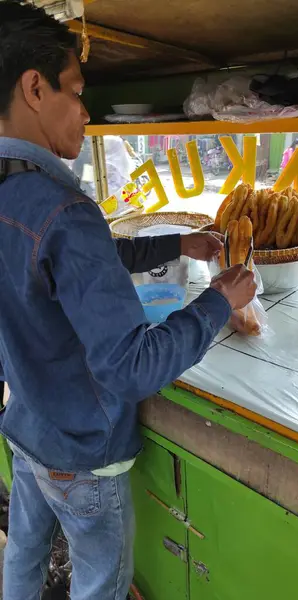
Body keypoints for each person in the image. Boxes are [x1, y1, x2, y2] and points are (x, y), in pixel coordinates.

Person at [0, 3, 256, 600]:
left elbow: (65, 261)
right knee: (100, 584)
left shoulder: (17, 193)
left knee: (24, 556)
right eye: (78, 92)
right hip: (84, 455)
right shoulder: (65, 210)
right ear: (35, 88)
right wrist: (219, 300)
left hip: (26, 428)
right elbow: (132, 367)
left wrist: (178, 243)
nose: (86, 112)